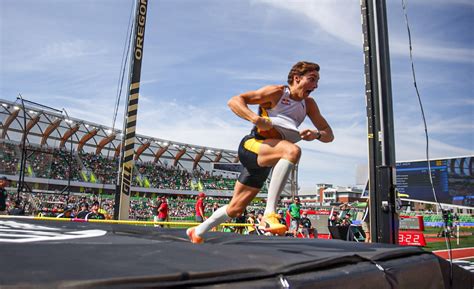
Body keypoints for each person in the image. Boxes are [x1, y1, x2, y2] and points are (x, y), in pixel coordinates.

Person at [187, 61, 334, 243]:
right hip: (252, 146)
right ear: (297, 78)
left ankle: (198, 231)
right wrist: (255, 119)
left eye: (317, 81)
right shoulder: (277, 92)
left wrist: (316, 134)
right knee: (292, 151)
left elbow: (329, 135)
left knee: (235, 209)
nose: (316, 85)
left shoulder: (309, 104)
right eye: (312, 79)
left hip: (267, 159)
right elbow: (234, 101)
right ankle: (269, 213)